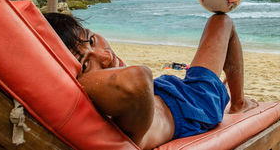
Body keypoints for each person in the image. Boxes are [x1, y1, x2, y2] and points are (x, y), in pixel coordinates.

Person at [44, 12, 257, 149]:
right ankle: (238, 103)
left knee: (220, 19)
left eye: (92, 40)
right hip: (196, 104)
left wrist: (86, 71)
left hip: (168, 90)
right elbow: (135, 79)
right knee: (222, 22)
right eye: (85, 64)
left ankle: (232, 93)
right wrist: (78, 80)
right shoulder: (108, 106)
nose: (105, 55)